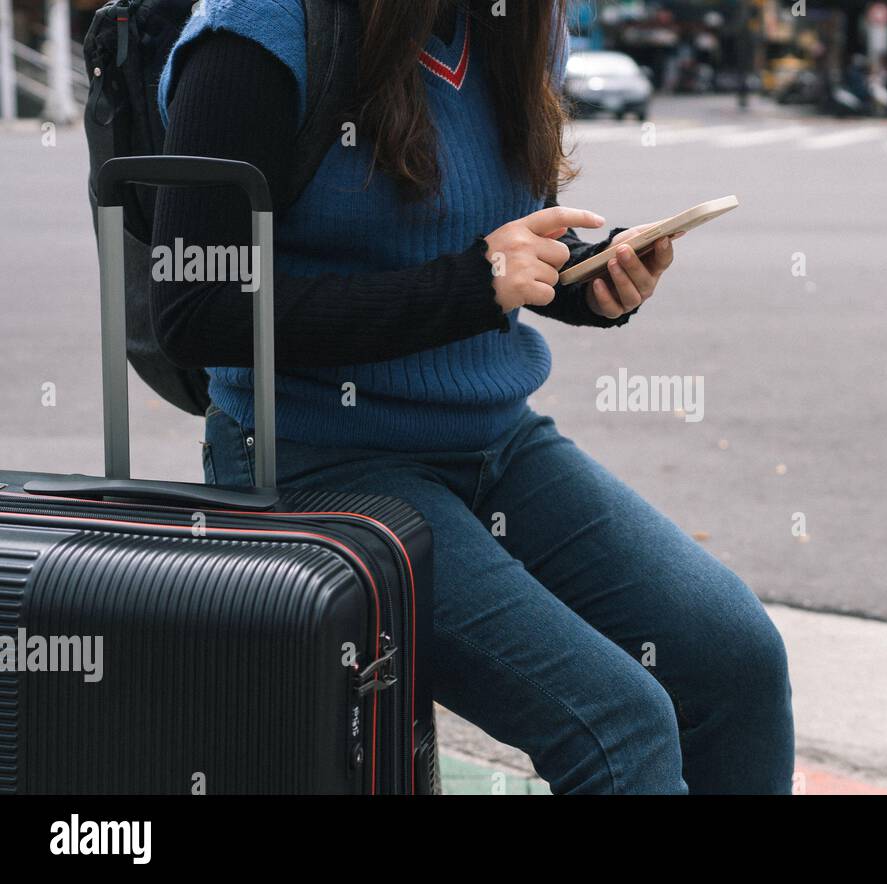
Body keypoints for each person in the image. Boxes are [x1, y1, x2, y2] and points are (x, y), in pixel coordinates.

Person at [150, 0, 794, 795]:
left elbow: (497, 243)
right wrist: (470, 286)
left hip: (499, 446)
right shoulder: (259, 33)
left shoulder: (518, 26)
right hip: (316, 460)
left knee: (739, 660)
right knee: (620, 724)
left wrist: (592, 283)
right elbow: (195, 309)